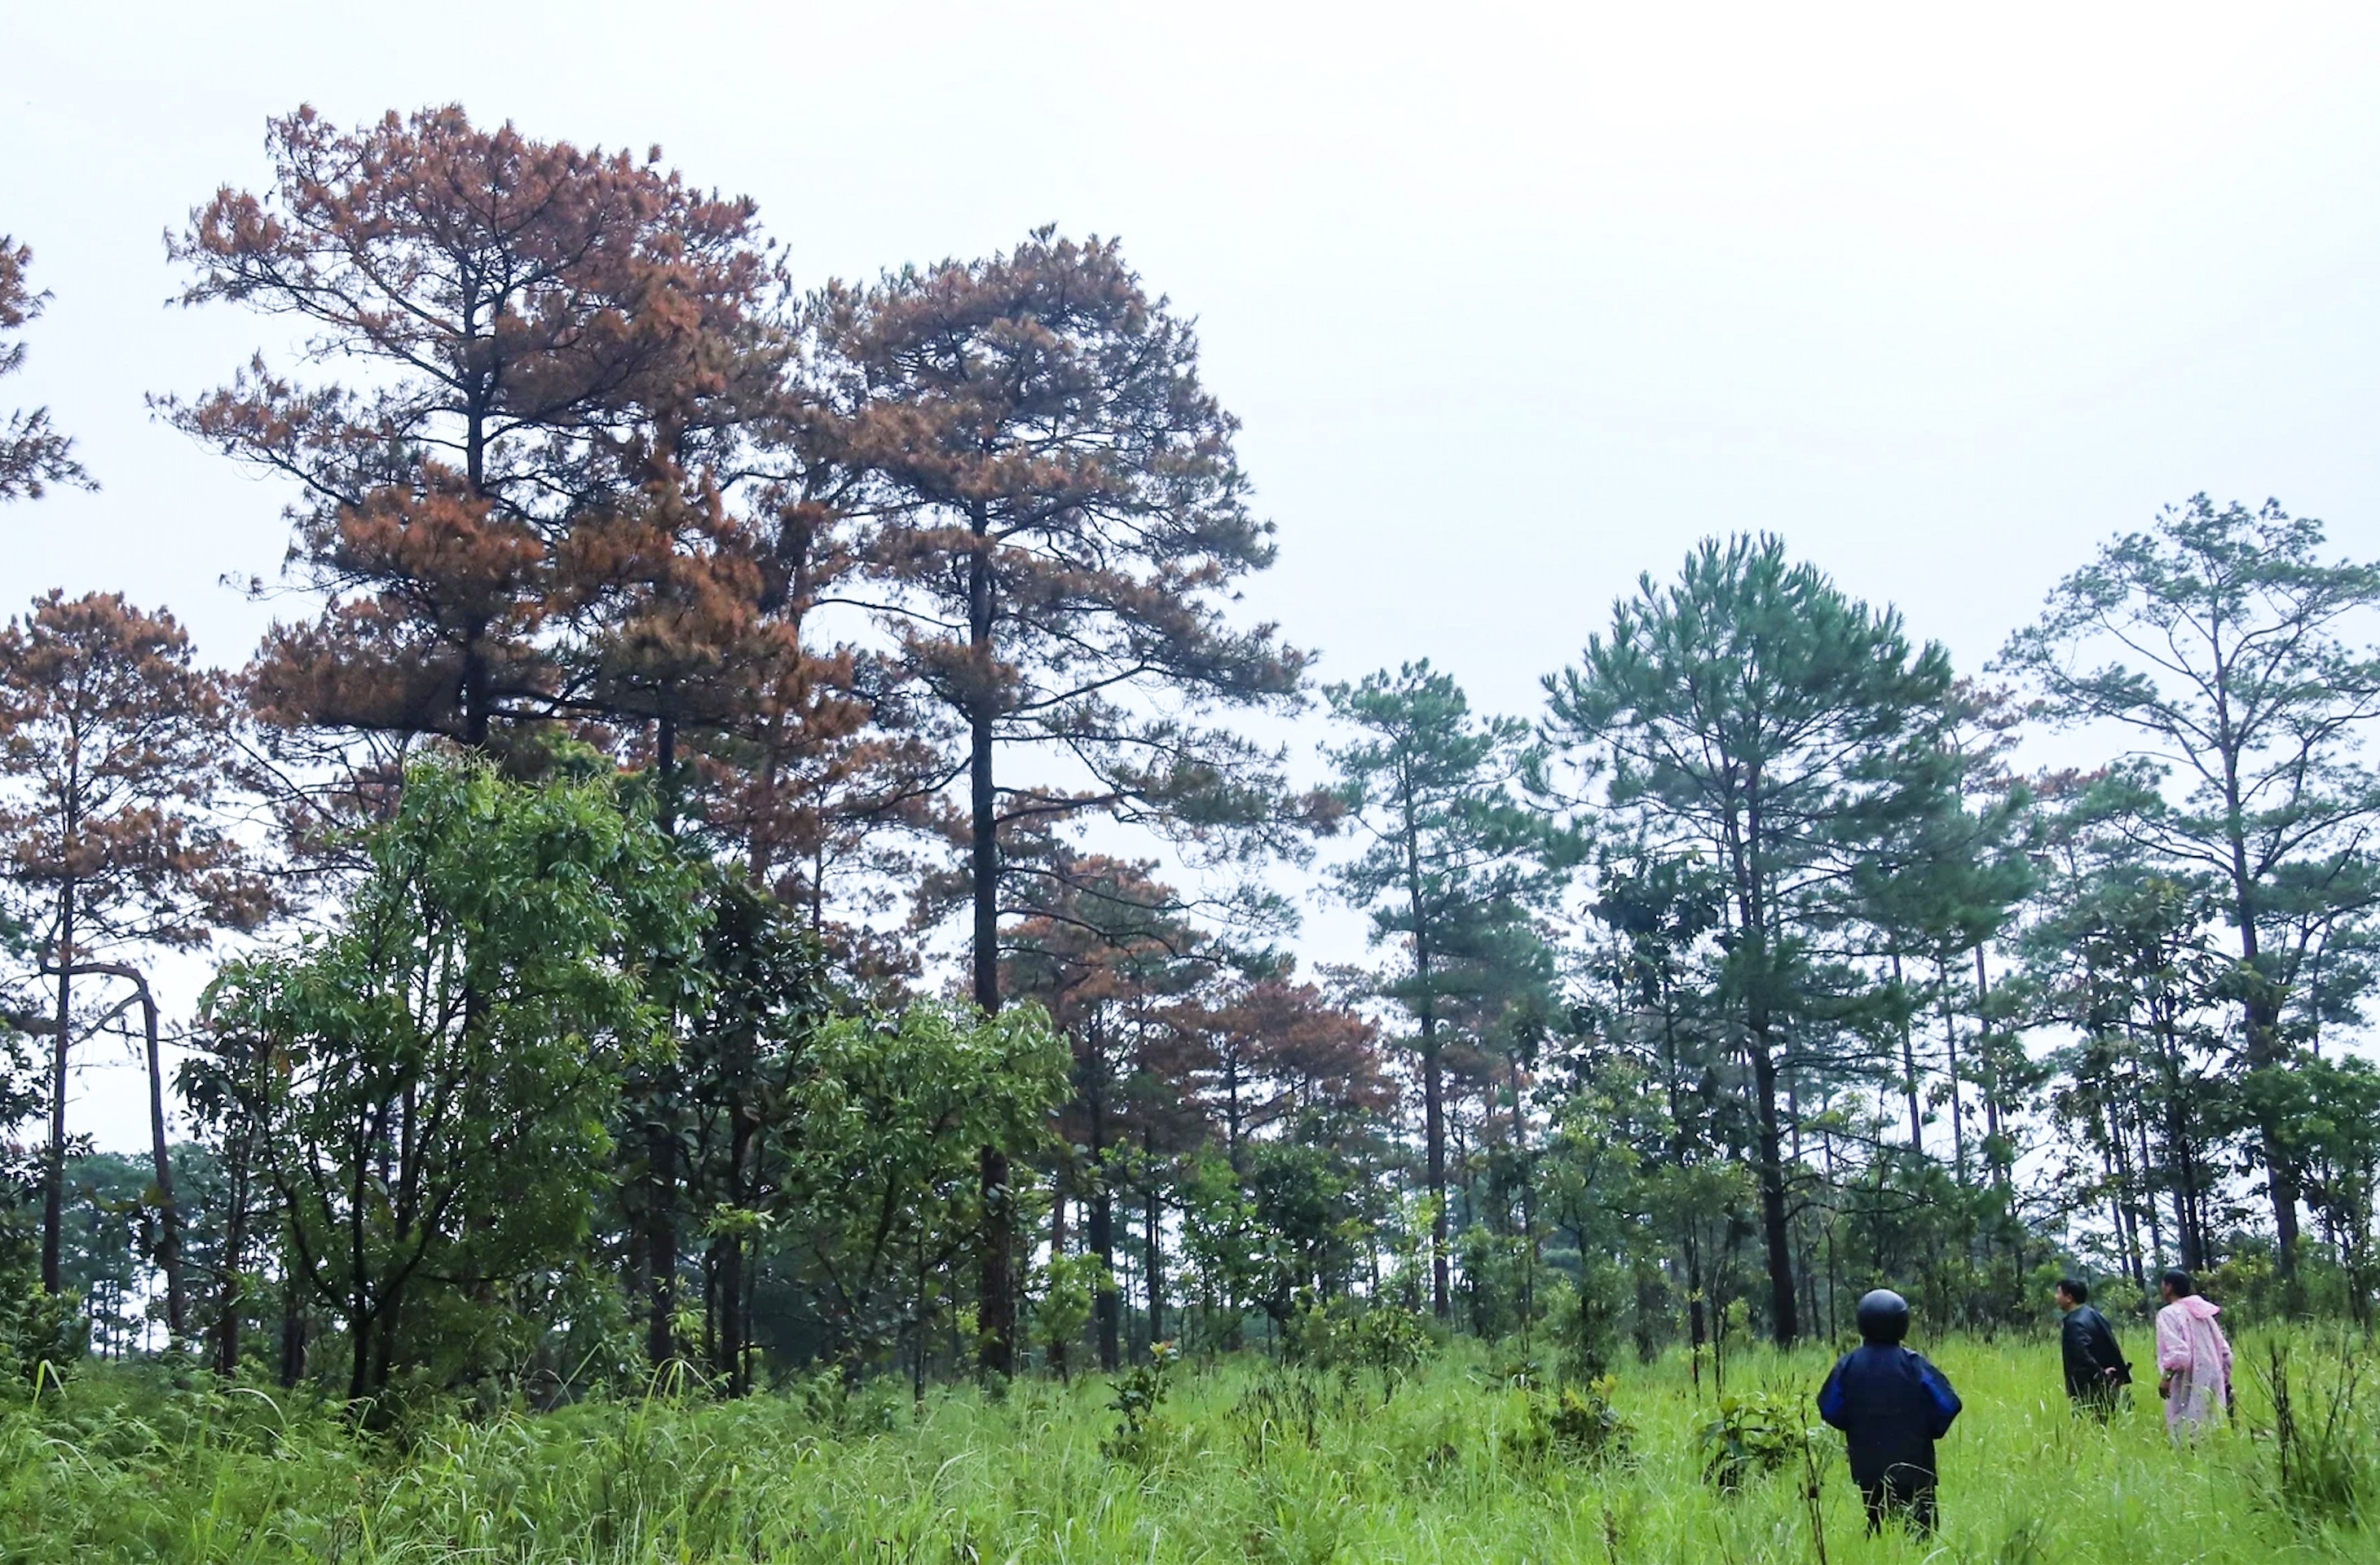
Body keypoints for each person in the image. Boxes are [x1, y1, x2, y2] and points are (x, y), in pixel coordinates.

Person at [1818, 1289, 1963, 1536]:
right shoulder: (1914, 1364)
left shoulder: (1848, 1365)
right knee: (1920, 1538)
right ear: (1902, 1323)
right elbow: (1948, 1404)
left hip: (1868, 1470)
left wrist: (1855, 1424)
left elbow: (1829, 1407)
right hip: (1917, 1469)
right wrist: (1932, 1429)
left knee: (1880, 1533)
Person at [2153, 1268, 2232, 1441]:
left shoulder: (2168, 1314)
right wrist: (2223, 1377)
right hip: (2213, 1375)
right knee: (2211, 1424)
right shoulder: (2204, 1315)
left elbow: (2179, 1354)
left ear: (2168, 1287)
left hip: (2186, 1379)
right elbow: (2225, 1353)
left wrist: (2166, 1378)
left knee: (2185, 1426)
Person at [2054, 1277, 2131, 1416]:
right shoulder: (2096, 1315)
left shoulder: (2074, 1322)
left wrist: (2100, 1373)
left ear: (2069, 1298)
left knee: (2088, 1424)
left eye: (2059, 1293)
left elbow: (2082, 1354)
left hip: (2089, 1385)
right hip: (2109, 1382)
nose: (2056, 1297)